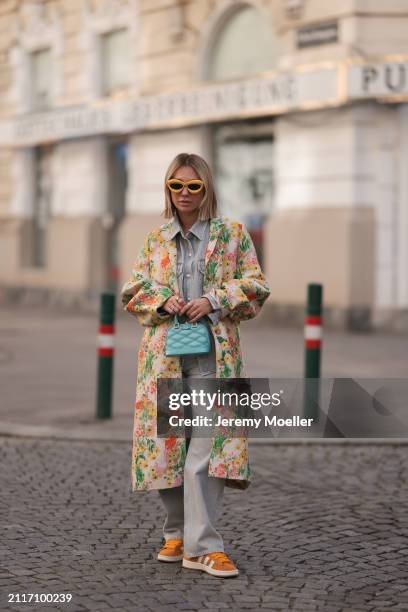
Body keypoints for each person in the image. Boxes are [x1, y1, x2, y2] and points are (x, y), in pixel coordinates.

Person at [120, 152, 270, 578]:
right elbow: (133, 290)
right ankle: (177, 534)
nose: (184, 193)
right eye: (176, 185)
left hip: (213, 357)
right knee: (167, 444)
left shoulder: (232, 234)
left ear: (206, 188)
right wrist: (160, 299)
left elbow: (257, 285)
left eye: (193, 186)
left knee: (207, 444)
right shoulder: (155, 239)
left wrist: (216, 299)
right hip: (163, 358)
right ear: (167, 189)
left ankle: (202, 546)